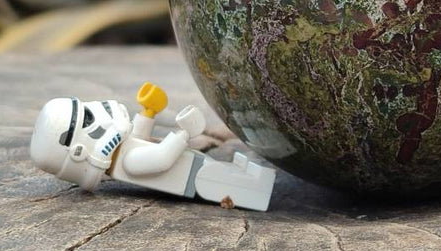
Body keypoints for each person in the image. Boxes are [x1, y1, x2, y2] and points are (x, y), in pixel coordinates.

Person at [30, 83, 275, 211]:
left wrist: (148, 113)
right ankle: (258, 190)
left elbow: (138, 139)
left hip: (196, 168)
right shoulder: (126, 163)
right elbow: (160, 160)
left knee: (231, 173)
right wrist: (184, 135)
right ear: (78, 151)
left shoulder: (123, 152)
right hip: (196, 178)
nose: (98, 110)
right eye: (87, 118)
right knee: (234, 183)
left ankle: (254, 182)